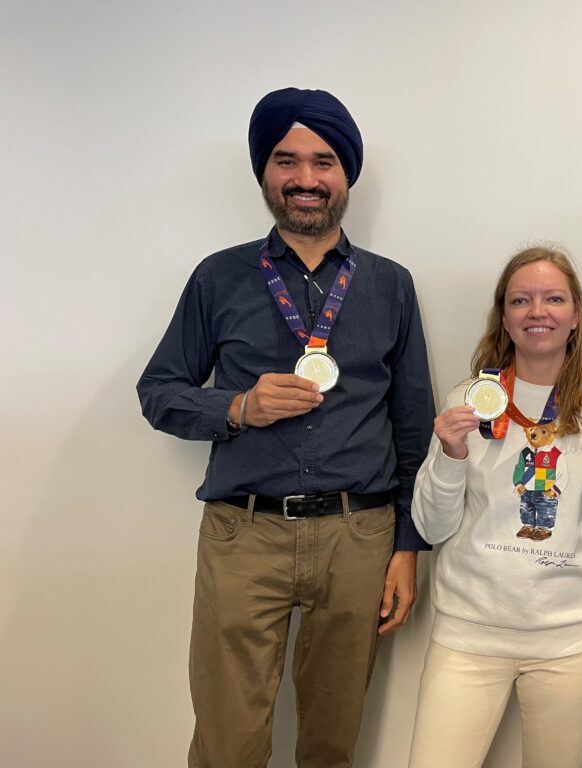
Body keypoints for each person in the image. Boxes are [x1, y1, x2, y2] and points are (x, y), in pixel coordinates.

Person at [137, 87, 434, 768]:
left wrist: (406, 547)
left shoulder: (390, 285)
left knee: (332, 740)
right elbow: (159, 393)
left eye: (323, 161)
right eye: (286, 160)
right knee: (226, 741)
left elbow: (411, 423)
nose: (305, 179)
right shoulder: (219, 278)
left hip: (358, 537)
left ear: (345, 174)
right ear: (264, 171)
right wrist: (237, 407)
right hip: (244, 535)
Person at [408, 246, 582, 768]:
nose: (538, 311)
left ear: (575, 315)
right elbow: (430, 526)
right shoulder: (467, 402)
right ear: (505, 317)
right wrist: (449, 455)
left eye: (554, 298)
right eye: (521, 300)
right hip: (467, 639)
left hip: (571, 645)